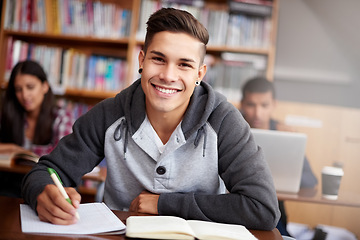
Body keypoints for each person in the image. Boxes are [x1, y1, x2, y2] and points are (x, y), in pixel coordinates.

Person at [22, 8, 280, 229]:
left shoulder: (224, 121)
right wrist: (42, 192)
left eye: (184, 65)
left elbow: (263, 208)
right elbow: (46, 171)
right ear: (142, 60)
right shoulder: (110, 113)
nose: (168, 75)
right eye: (159, 59)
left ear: (200, 73)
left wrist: (164, 204)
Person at [240, 76, 318, 236]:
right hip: (238, 206)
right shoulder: (232, 130)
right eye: (251, 105)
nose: (257, 113)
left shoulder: (285, 134)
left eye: (264, 105)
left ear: (274, 105)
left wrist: (293, 148)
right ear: (242, 104)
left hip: (273, 211)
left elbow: (310, 180)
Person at [0, 60, 73, 197]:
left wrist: (21, 151)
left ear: (45, 86)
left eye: (30, 87)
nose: (24, 95)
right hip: (9, 185)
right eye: (18, 89)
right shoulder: (10, 114)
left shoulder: (61, 116)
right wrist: (13, 148)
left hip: (46, 186)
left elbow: (62, 155)